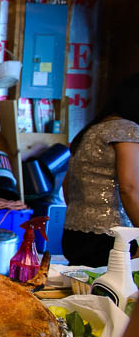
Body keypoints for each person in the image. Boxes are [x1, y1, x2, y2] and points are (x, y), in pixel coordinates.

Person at [62, 74, 139, 267]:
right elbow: (129, 187)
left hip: (74, 233)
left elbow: (67, 185)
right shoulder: (126, 130)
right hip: (112, 238)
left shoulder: (91, 130)